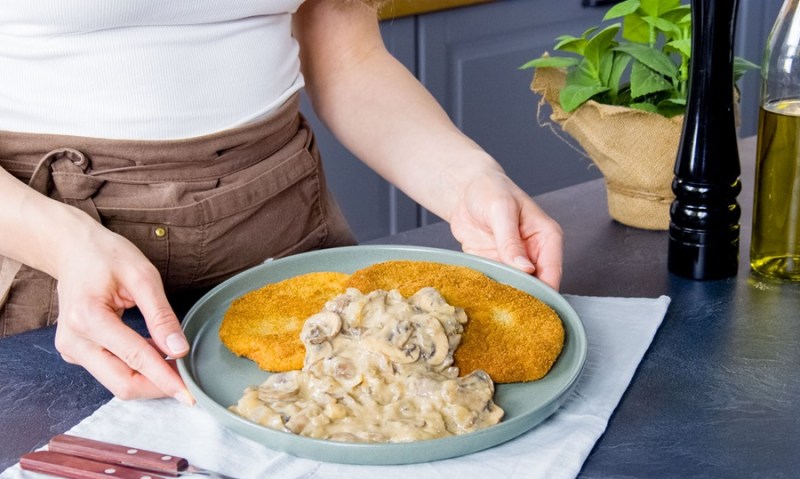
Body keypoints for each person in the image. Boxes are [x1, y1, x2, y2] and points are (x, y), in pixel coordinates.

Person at [0, 0, 563, 406]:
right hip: (49, 251)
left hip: (282, 230)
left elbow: (348, 59)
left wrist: (465, 180)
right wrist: (65, 244)